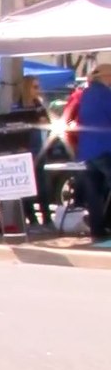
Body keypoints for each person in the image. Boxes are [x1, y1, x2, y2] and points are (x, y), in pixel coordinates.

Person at [14, 75, 56, 231]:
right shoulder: (18, 106)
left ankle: (47, 218)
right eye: (35, 87)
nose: (38, 90)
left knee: (43, 186)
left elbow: (48, 122)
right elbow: (16, 126)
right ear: (27, 88)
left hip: (39, 148)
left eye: (38, 86)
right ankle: (32, 219)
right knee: (28, 187)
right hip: (25, 149)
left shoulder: (38, 104)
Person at [77, 64, 111, 240]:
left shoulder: (87, 94)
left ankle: (97, 229)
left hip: (88, 149)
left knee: (94, 193)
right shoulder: (106, 94)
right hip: (105, 148)